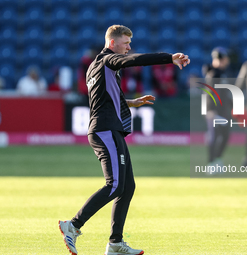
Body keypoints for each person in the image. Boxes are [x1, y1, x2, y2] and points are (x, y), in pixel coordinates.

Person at [58, 25, 190, 255]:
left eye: (130, 44)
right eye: (126, 43)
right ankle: (73, 225)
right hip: (105, 130)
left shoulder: (95, 66)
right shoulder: (109, 60)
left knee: (127, 186)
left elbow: (104, 99)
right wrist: (170, 57)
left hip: (111, 129)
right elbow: (138, 60)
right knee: (115, 184)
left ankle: (115, 243)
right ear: (112, 44)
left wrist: (130, 102)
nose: (129, 48)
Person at [202, 47, 234, 167]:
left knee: (225, 136)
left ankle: (217, 159)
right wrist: (212, 111)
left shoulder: (223, 73)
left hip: (223, 110)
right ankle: (211, 163)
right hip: (213, 111)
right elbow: (210, 94)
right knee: (214, 136)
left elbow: (225, 94)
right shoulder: (213, 73)